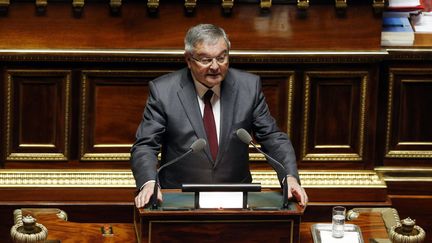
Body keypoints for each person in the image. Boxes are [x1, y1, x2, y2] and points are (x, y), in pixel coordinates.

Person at [131, 23, 308, 208]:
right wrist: (149, 182)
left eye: (222, 58)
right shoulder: (164, 91)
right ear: (188, 60)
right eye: (205, 60)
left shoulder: (248, 87)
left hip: (237, 199)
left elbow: (272, 137)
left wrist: (289, 176)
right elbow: (145, 145)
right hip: (180, 198)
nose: (215, 67)